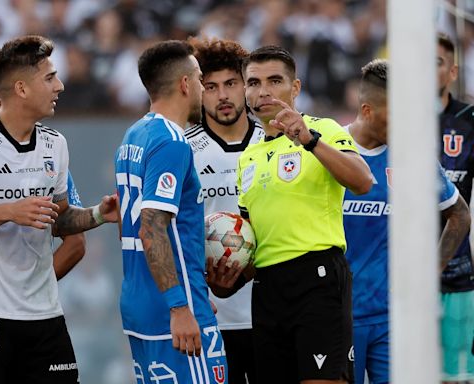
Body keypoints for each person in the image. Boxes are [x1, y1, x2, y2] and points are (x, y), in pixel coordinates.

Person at [0, 35, 117, 384]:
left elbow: (59, 219)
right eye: (49, 78)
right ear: (21, 88)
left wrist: (97, 215)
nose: (59, 86)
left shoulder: (55, 143)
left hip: (45, 315)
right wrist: (10, 211)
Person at [230, 45, 372, 384]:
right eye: (253, 83)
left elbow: (363, 181)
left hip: (317, 278)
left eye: (274, 80)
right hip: (266, 287)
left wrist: (309, 140)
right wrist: (226, 281)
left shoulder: (323, 129)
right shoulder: (246, 159)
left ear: (295, 88)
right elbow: (250, 241)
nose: (262, 91)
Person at [343, 58, 471, 384]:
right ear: (369, 110)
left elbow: (459, 214)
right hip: (341, 315)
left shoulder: (411, 158)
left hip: (395, 318)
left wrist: (433, 270)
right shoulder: (332, 150)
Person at [114, 40, 228, 383]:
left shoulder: (135, 134)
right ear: (184, 84)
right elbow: (151, 228)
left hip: (140, 305)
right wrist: (180, 305)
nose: (202, 89)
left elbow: (128, 224)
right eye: (199, 80)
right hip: (172, 310)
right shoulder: (172, 142)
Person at [184, 36, 263, 384]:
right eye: (211, 86)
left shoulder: (275, 142)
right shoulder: (184, 150)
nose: (223, 95)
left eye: (231, 83)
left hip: (270, 313)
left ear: (246, 85)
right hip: (212, 316)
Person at [0, 70, 86, 280]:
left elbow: (75, 242)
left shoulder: (48, 157)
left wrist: (33, 288)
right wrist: (9, 211)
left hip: (32, 307)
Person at [437, 33, 474, 384]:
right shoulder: (389, 120)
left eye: (437, 62)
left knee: (456, 377)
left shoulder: (469, 119)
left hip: (457, 273)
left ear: (452, 71)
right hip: (396, 273)